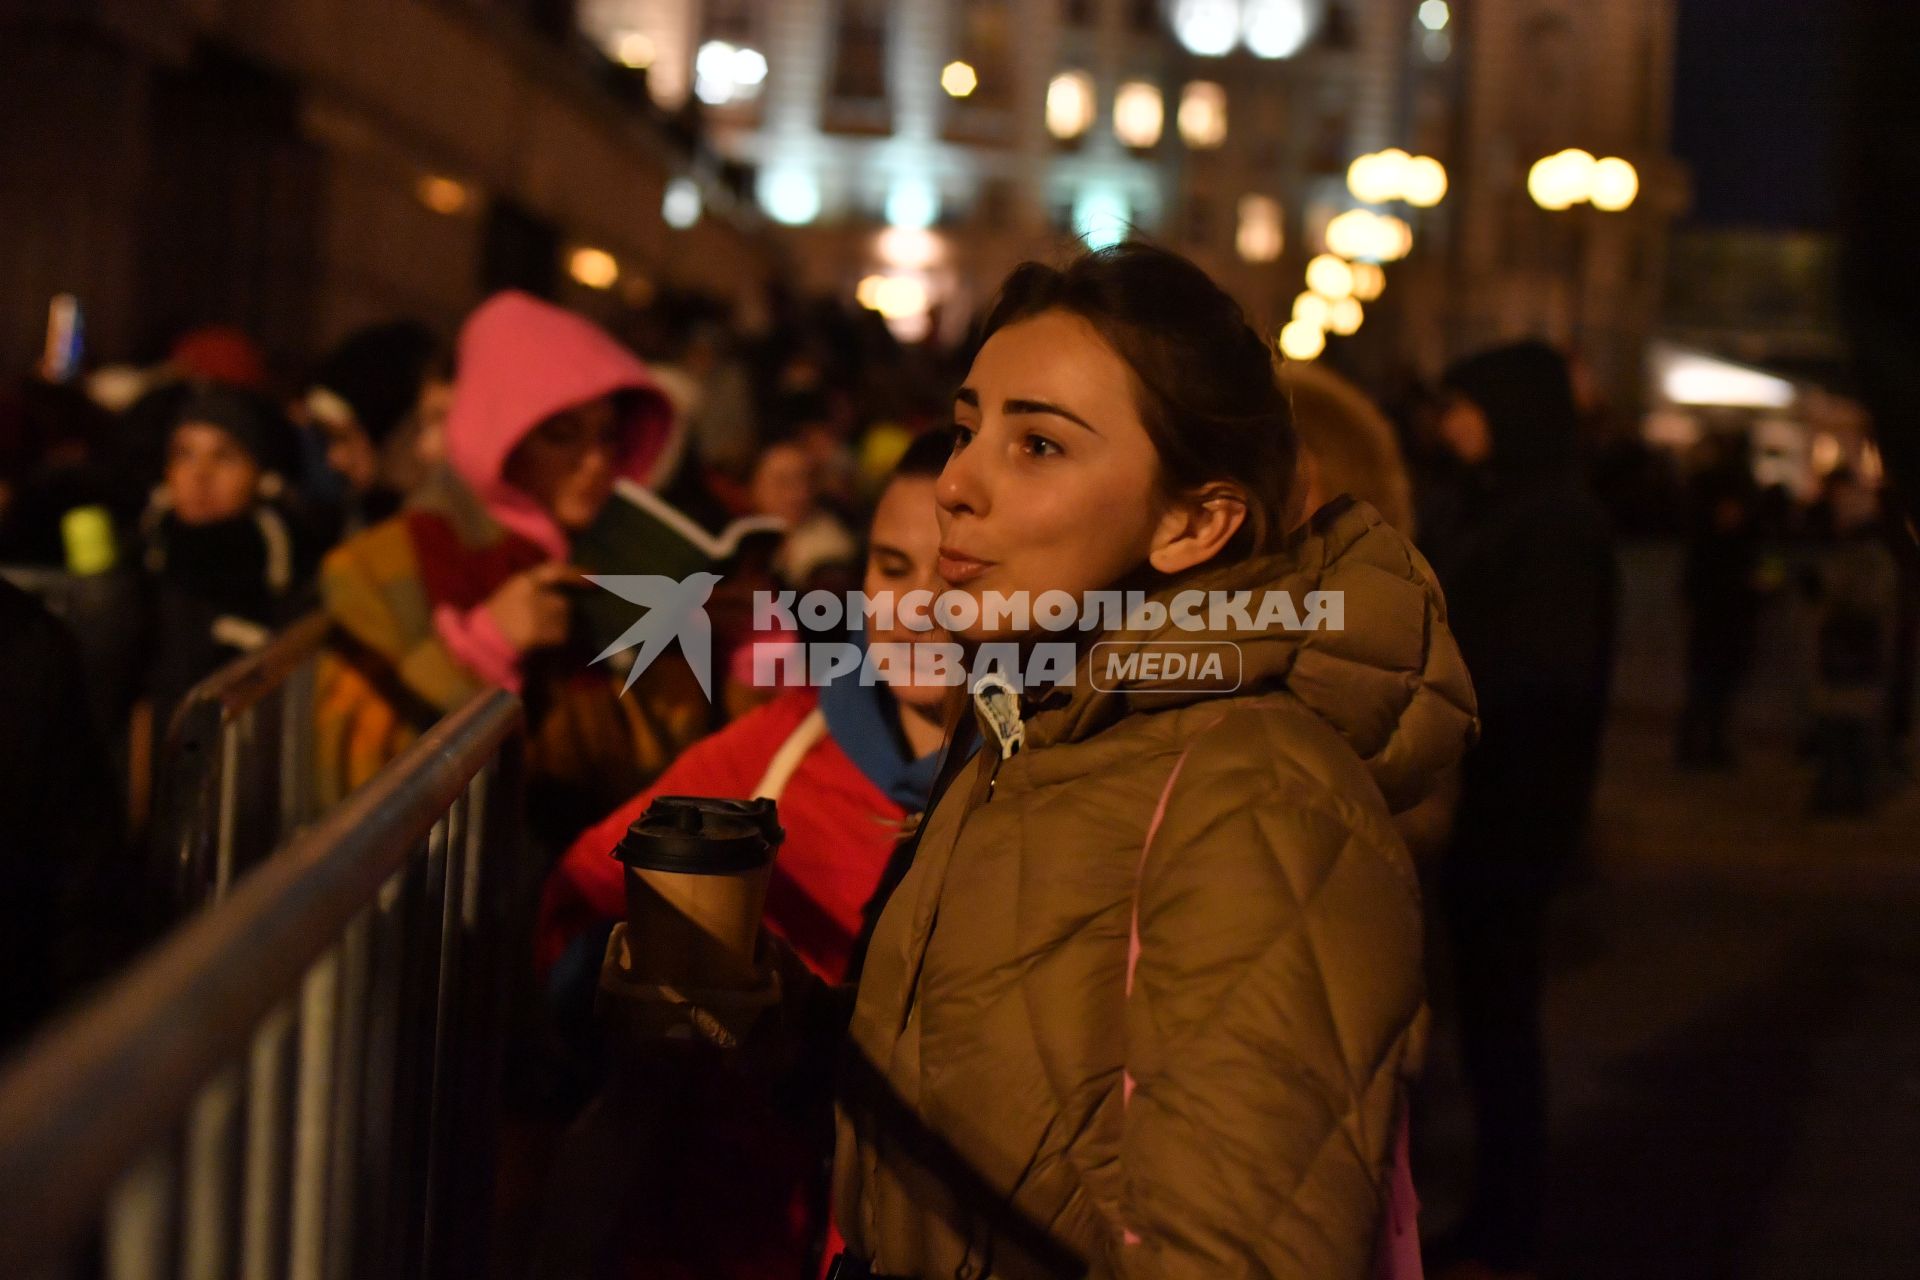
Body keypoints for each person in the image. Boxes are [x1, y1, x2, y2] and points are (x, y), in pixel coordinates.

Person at [628, 243, 1479, 1278]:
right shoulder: (1022, 728)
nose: (953, 484)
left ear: (1194, 521)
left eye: (1037, 444)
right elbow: (992, 1120)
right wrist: (740, 999)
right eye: (965, 427)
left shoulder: (1259, 792)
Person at [530, 432, 953, 1280]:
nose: (915, 609)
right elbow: (579, 904)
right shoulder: (771, 757)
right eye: (893, 568)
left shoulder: (1056, 799)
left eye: (955, 576)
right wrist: (630, 989)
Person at [314, 291, 708, 849]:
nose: (595, 461)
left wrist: (732, 648)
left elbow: (650, 761)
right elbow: (348, 775)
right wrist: (481, 648)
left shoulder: (608, 559)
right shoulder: (384, 564)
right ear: (500, 433)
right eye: (560, 434)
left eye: (607, 436)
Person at [1421, 341, 1617, 1280]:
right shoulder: (1504, 506)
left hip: (1513, 814)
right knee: (1489, 1020)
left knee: (1501, 1025)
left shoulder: (1553, 526)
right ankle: (1500, 1207)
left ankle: (1510, 1214)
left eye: (1466, 405)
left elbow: (1540, 677)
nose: (1450, 423)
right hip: (1488, 808)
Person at [140, 383, 313, 744]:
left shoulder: (284, 559)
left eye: (224, 456)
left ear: (259, 472)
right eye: (184, 455)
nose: (200, 473)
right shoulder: (145, 551)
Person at [1804, 467, 1900, 815]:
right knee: (1845, 727)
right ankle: (1841, 794)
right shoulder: (1861, 555)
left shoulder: (1865, 557)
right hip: (1850, 652)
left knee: (1848, 728)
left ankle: (1846, 795)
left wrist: (1827, 595)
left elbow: (1864, 600)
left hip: (1853, 651)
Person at [301, 321, 443, 534]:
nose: (334, 459)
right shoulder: (360, 513)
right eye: (325, 439)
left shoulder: (438, 525)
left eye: (344, 438)